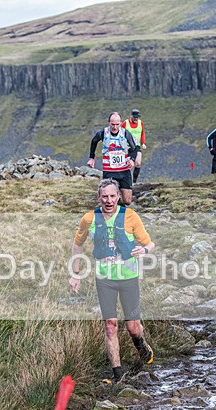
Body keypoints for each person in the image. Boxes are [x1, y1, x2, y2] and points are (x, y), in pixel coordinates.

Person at [69, 179, 155, 384]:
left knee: (132, 327)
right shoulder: (89, 219)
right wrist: (75, 274)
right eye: (104, 197)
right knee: (110, 325)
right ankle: (117, 375)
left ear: (118, 196)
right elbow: (77, 245)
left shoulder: (130, 216)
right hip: (104, 279)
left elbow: (150, 244)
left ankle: (140, 342)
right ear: (99, 197)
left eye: (112, 196)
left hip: (128, 277)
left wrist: (143, 250)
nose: (109, 200)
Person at [88, 112, 141, 205]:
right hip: (109, 171)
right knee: (109, 200)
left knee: (128, 201)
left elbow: (134, 148)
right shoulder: (103, 133)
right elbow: (94, 141)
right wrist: (92, 158)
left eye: (117, 124)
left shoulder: (125, 133)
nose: (115, 127)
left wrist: (132, 159)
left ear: (120, 123)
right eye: (112, 124)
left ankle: (119, 200)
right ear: (108, 122)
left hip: (124, 171)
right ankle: (116, 212)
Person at [122, 109, 146, 182]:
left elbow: (142, 133)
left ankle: (134, 181)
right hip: (127, 146)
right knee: (128, 165)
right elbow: (120, 134)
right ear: (131, 116)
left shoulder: (141, 123)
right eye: (134, 117)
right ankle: (125, 180)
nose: (136, 119)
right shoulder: (125, 123)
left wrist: (143, 143)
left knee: (138, 163)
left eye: (137, 117)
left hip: (137, 146)